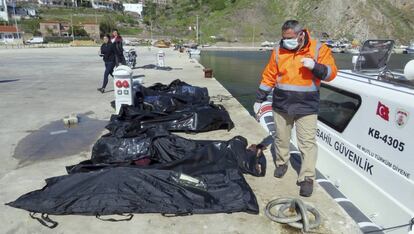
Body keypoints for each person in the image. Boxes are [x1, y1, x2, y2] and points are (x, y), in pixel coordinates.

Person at [253, 20, 337, 197]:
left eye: (290, 38)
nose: (286, 41)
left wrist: (316, 67)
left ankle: (306, 178)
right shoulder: (278, 50)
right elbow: (270, 75)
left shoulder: (318, 49)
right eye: (283, 38)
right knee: (281, 139)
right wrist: (259, 99)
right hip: (281, 104)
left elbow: (331, 74)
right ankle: (282, 163)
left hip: (306, 107)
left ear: (301, 35)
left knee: (307, 144)